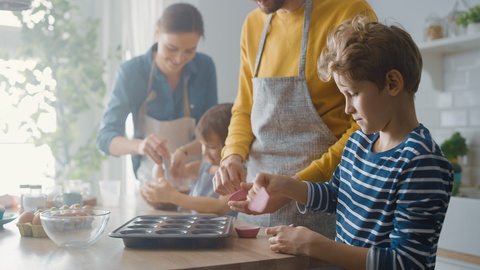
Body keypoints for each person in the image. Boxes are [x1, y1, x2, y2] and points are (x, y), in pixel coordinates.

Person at [249, 16, 453, 269]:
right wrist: (286, 186)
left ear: (392, 83)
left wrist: (315, 245)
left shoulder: (421, 162)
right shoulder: (359, 141)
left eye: (353, 93)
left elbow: (407, 263)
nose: (347, 108)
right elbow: (337, 196)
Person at [212, 0, 377, 237]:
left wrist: (296, 187)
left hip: (323, 200)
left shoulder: (349, 11)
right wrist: (231, 156)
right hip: (255, 208)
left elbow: (364, 125)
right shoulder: (253, 24)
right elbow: (245, 109)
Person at [97, 3, 218, 184]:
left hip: (195, 181)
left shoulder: (205, 68)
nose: (179, 59)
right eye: (171, 48)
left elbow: (213, 132)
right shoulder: (131, 73)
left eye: (189, 51)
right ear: (157, 33)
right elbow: (105, 139)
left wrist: (184, 152)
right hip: (149, 183)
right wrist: (140, 146)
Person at [141, 103, 235, 216]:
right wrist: (161, 160)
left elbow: (220, 206)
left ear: (231, 145)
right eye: (202, 145)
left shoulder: (233, 174)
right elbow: (170, 173)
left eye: (211, 147)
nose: (204, 152)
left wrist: (172, 196)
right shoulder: (203, 167)